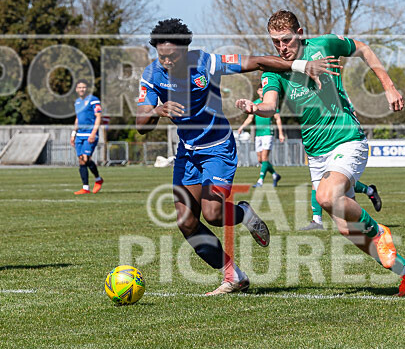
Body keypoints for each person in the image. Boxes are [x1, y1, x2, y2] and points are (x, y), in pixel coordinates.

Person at [136, 18, 337, 295]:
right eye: (162, 56)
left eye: (172, 56)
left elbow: (257, 61)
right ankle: (234, 277)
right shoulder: (151, 75)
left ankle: (243, 213)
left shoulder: (205, 62)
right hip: (187, 154)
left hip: (218, 148)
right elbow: (140, 124)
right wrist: (157, 111)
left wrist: (301, 65)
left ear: (185, 50)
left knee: (213, 214)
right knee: (187, 222)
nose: (167, 62)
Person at [238, 9, 405, 296]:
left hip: (347, 139)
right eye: (275, 42)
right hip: (316, 154)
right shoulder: (274, 69)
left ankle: (379, 232)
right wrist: (255, 108)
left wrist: (388, 86)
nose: (281, 47)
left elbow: (362, 48)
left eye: (286, 40)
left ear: (299, 35)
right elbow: (270, 104)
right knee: (346, 228)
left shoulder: (323, 46)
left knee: (327, 197)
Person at [236, 84, 285, 188]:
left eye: (263, 90)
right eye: (260, 90)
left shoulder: (270, 103)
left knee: (264, 157)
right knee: (260, 160)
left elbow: (277, 119)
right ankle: (275, 175)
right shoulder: (255, 103)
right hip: (258, 134)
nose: (262, 92)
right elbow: (250, 118)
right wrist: (241, 127)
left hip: (268, 133)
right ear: (258, 91)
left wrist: (281, 133)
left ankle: (260, 181)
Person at [70, 79, 104, 195]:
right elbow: (77, 118)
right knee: (82, 160)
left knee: (85, 158)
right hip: (79, 135)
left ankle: (98, 179)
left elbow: (98, 116)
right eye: (79, 87)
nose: (81, 89)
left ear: (87, 89)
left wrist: (94, 133)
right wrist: (73, 134)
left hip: (90, 134)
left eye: (83, 87)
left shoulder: (93, 100)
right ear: (76, 89)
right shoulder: (77, 102)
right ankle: (85, 187)